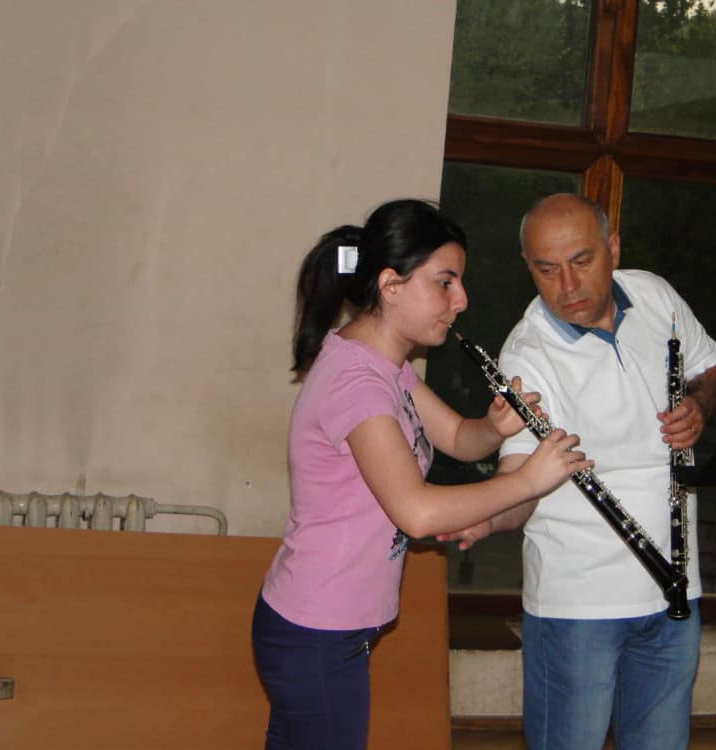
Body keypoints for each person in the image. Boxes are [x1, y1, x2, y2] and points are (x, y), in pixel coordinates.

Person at [251, 198, 592, 750]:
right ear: (391, 284)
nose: (461, 300)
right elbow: (416, 512)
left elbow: (457, 436)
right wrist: (530, 481)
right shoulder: (357, 383)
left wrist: (494, 427)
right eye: (445, 282)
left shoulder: (385, 365)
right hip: (316, 630)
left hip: (324, 627)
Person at [439, 193, 716, 750]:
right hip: (578, 607)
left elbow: (714, 371)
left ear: (613, 249)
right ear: (528, 267)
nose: (568, 286)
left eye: (581, 261)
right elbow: (522, 478)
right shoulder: (527, 355)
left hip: (674, 589)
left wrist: (700, 404)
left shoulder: (656, 296)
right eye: (547, 270)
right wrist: (488, 516)